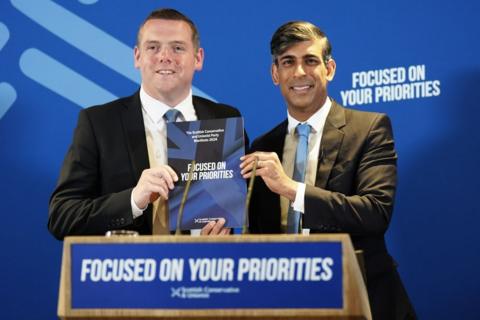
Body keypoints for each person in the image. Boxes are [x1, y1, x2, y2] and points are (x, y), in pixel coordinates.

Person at [240, 21, 416, 319]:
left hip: (360, 296)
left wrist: (291, 188)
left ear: (329, 69)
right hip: (285, 302)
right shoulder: (263, 144)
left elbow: (375, 213)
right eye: (288, 63)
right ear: (275, 74)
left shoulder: (369, 128)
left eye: (310, 61)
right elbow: (260, 233)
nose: (299, 73)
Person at [48, 8, 243, 239]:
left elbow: (245, 208)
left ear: (198, 58)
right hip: (131, 270)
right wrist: (133, 199)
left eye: (177, 48)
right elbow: (62, 217)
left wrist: (226, 232)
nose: (165, 57)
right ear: (137, 57)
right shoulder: (99, 124)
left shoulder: (225, 119)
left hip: (207, 267)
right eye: (153, 47)